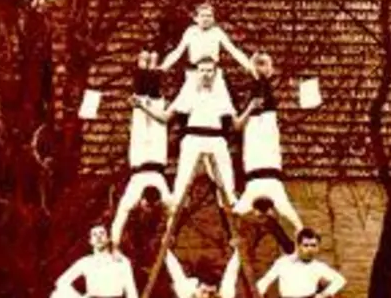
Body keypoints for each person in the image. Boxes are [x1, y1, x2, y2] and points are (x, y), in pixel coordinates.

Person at [138, 57, 248, 202]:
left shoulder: (222, 94)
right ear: (196, 73)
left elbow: (237, 124)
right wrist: (143, 107)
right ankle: (175, 209)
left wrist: (251, 108)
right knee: (182, 182)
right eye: (202, 70)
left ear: (215, 73)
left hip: (216, 138)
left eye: (209, 71)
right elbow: (165, 117)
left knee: (227, 185)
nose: (206, 74)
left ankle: (231, 204)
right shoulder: (188, 93)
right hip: (193, 138)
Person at [231, 53, 302, 231]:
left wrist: (238, 234)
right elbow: (296, 222)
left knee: (257, 115)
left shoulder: (249, 199)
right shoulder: (278, 198)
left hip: (255, 157)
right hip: (269, 158)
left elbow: (236, 213)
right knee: (268, 113)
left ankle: (258, 74)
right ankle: (263, 76)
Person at [111, 51, 172, 246]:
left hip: (143, 158)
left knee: (142, 115)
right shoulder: (162, 197)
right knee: (154, 118)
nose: (144, 205)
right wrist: (167, 236)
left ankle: (144, 67)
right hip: (154, 158)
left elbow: (121, 216)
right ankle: (151, 67)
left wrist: (114, 244)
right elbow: (174, 211)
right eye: (147, 206)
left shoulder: (136, 195)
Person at [158, 2, 255, 99]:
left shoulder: (217, 32)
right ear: (196, 18)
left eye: (209, 16)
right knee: (181, 100)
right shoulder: (190, 32)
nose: (206, 19)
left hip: (213, 72)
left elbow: (233, 50)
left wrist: (248, 66)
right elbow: (178, 51)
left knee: (228, 100)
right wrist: (164, 66)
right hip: (194, 71)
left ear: (213, 19)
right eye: (203, 15)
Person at [167, 251, 241, 298]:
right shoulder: (188, 290)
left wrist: (166, 250)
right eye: (205, 291)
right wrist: (238, 251)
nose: (207, 296)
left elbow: (231, 273)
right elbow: (175, 269)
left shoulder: (224, 296)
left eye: (211, 293)